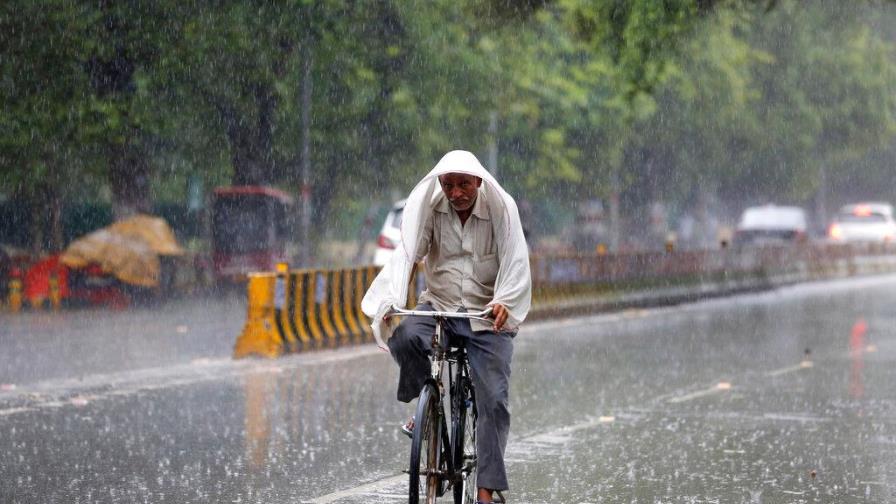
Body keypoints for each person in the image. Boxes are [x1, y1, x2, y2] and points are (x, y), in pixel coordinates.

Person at [362, 150, 532, 504]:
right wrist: (393, 298)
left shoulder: (500, 208)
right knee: (406, 337)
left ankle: (486, 488)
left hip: (487, 314)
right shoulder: (432, 208)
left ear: (479, 182)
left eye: (463, 185)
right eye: (449, 184)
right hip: (439, 306)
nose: (456, 193)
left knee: (494, 399)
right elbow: (407, 252)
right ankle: (427, 415)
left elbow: (516, 259)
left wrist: (504, 300)